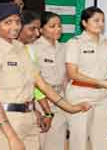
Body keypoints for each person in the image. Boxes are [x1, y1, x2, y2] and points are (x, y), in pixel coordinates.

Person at [0, 3, 90, 150]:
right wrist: (11, 137)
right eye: (7, 23)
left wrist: (71, 107)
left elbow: (42, 84)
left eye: (17, 21)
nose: (15, 26)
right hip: (3, 127)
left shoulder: (21, 49)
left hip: (28, 122)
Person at [65, 6, 107, 150]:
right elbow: (72, 73)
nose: (101, 24)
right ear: (84, 23)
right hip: (81, 95)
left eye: (103, 21)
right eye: (96, 20)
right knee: (79, 141)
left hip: (104, 96)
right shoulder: (75, 43)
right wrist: (100, 82)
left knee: (100, 140)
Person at [31, 11, 69, 150]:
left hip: (59, 101)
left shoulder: (64, 48)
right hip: (40, 102)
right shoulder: (34, 49)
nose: (58, 29)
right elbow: (33, 82)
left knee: (56, 145)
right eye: (52, 26)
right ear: (41, 29)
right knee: (38, 143)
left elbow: (65, 78)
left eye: (59, 25)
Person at [17, 10, 53, 133]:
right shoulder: (4, 52)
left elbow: (37, 87)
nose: (37, 34)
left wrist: (48, 113)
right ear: (18, 27)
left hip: (27, 111)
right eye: (32, 29)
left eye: (38, 29)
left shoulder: (30, 50)